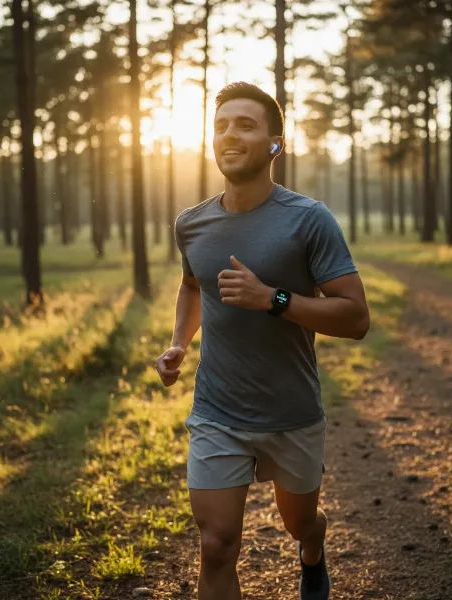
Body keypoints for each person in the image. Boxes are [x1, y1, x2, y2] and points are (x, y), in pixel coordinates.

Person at [155, 81, 370, 600]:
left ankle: (313, 550)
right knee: (217, 543)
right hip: (217, 412)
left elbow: (356, 317)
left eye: (245, 125)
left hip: (291, 413)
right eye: (222, 125)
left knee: (300, 523)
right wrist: (180, 342)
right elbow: (193, 285)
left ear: (276, 143)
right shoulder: (192, 222)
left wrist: (272, 299)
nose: (230, 135)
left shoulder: (308, 220)